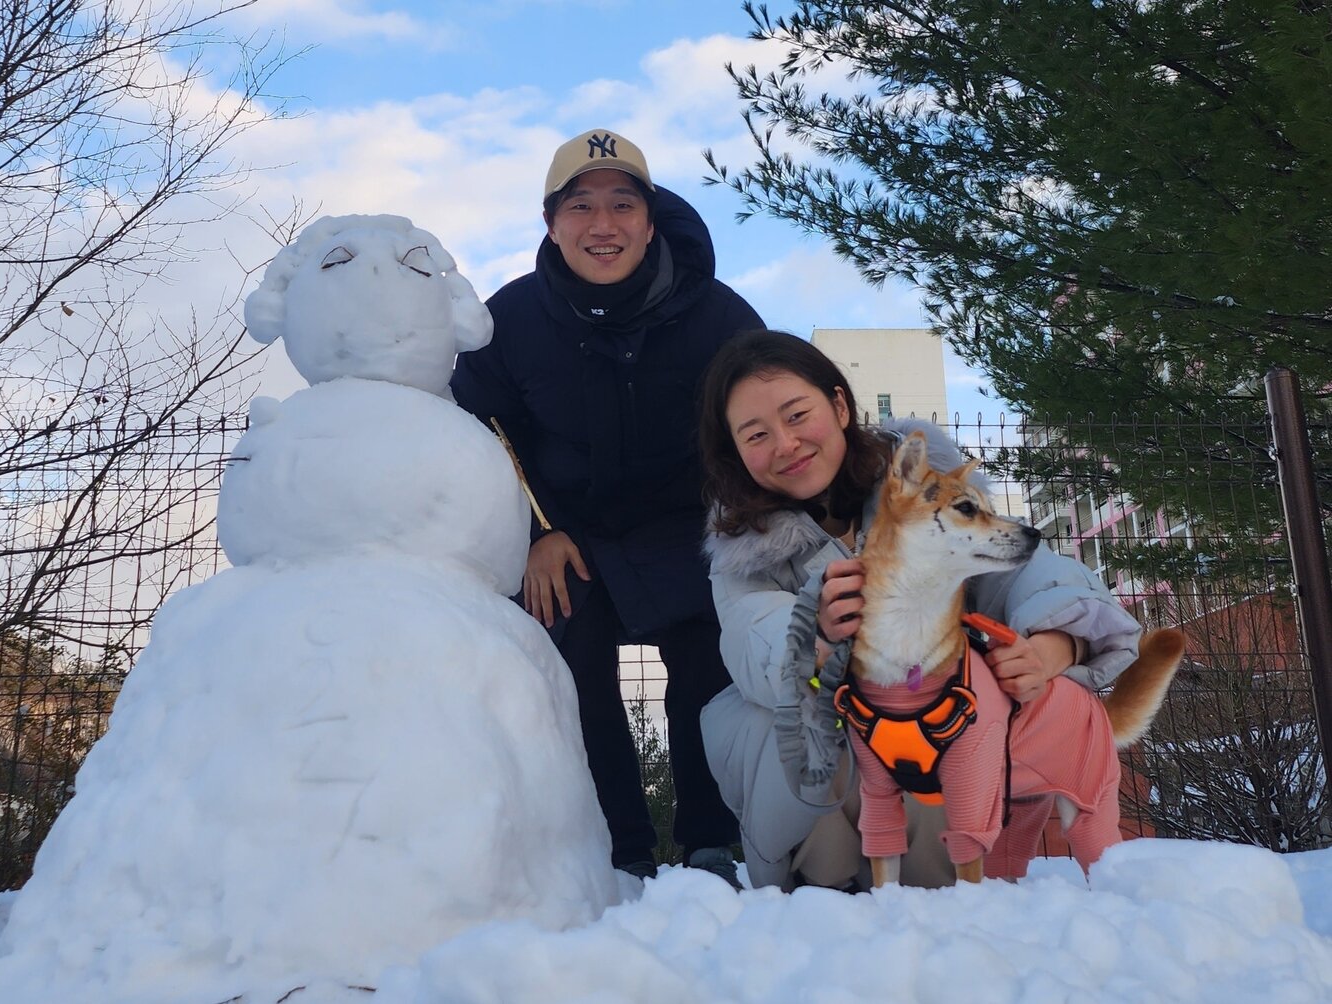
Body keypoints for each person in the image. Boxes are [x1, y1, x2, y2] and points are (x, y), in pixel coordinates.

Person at [696, 330, 1143, 891]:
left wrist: (1057, 644)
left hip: (930, 754)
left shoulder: (930, 490)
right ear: (735, 452)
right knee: (786, 716)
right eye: (756, 434)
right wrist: (816, 638)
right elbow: (750, 634)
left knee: (950, 703)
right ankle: (816, 896)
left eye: (796, 415)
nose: (784, 444)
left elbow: (1029, 572)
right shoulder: (743, 548)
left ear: (838, 406)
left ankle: (942, 895)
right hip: (815, 793)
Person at [450, 128, 764, 885]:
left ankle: (711, 845)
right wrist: (537, 533)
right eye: (581, 206)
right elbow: (482, 435)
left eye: (623, 204)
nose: (603, 225)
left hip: (687, 532)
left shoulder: (719, 316)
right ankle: (614, 850)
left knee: (707, 651)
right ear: (551, 223)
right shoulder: (510, 321)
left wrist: (737, 536)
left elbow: (756, 426)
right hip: (570, 536)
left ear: (650, 222)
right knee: (568, 639)